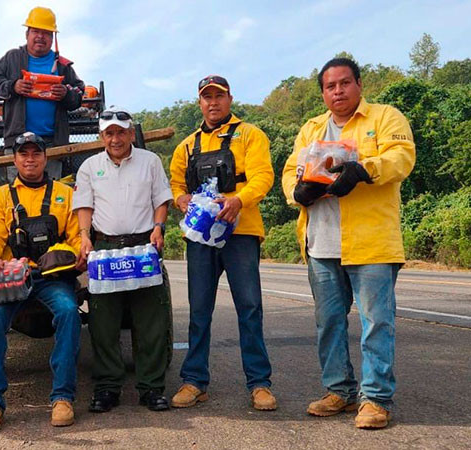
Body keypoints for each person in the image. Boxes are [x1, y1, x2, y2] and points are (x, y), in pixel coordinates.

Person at [281, 58, 415, 429]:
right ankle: (338, 390)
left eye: (344, 83)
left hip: (371, 242)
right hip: (321, 242)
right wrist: (298, 192)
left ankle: (375, 399)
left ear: (358, 84)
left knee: (377, 322)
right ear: (323, 92)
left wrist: (362, 170)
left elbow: (402, 158)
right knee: (329, 322)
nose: (337, 92)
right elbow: (291, 171)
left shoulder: (385, 118)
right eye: (330, 86)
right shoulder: (311, 129)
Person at [168, 75, 277, 411]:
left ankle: (259, 384)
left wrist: (240, 200)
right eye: (206, 97)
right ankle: (194, 381)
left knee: (250, 308)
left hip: (240, 233)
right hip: (201, 237)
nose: (212, 103)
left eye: (219, 96)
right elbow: (175, 184)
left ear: (230, 99)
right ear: (199, 103)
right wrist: (181, 199)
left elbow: (263, 176)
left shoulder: (250, 135)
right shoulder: (186, 146)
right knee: (199, 310)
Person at [0, 132, 81, 433]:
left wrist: (62, 255)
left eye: (36, 153)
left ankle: (62, 396)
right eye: (24, 154)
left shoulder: (65, 193)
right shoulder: (1, 197)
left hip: (51, 278)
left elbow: (76, 236)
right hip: (12, 279)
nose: (30, 159)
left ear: (46, 158)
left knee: (69, 311)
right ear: (15, 159)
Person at [73, 107, 174, 412]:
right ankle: (107, 387)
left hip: (143, 247)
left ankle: (152, 387)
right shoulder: (89, 166)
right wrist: (85, 236)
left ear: (131, 133)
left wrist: (159, 228)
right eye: (109, 133)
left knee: (151, 322)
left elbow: (161, 200)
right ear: (101, 136)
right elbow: (85, 205)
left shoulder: (150, 162)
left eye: (121, 132)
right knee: (104, 323)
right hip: (105, 250)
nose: (115, 138)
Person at [0, 6, 85, 180]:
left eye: (46, 32)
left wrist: (65, 93)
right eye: (35, 31)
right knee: (17, 196)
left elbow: (79, 94)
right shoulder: (12, 58)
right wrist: (13, 87)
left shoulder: (62, 65)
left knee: (51, 194)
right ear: (27, 34)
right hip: (17, 144)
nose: (40, 36)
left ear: (52, 37)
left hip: (52, 144)